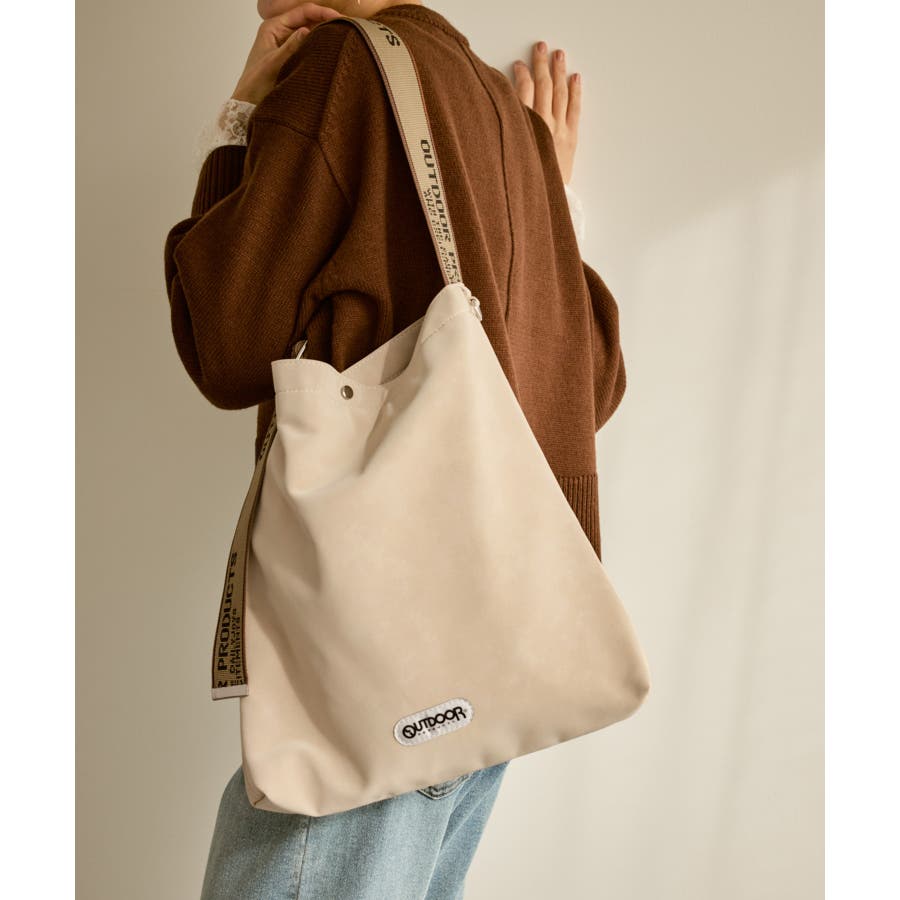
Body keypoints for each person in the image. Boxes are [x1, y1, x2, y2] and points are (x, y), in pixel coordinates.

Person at [163, 2, 626, 897]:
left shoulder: (341, 70)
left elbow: (224, 342)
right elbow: (593, 385)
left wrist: (240, 122)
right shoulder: (505, 114)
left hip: (386, 648)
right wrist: (550, 202)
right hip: (502, 653)